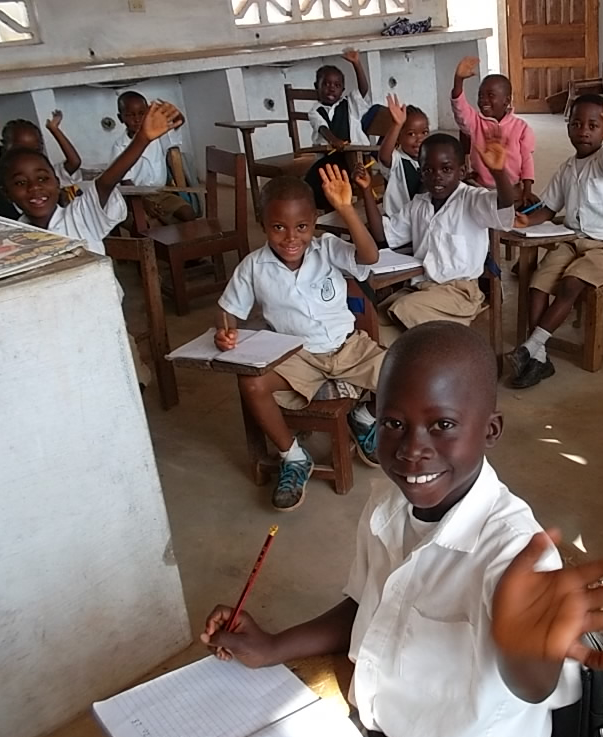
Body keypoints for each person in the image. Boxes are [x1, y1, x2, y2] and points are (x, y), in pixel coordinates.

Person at [200, 321, 603, 737]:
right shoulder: (386, 504)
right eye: (393, 423)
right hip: (374, 732)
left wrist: (523, 649)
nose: (411, 449)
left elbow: (534, 685)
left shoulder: (515, 554)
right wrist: (273, 647)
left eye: (442, 424)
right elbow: (367, 606)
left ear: (490, 430)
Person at [215, 171, 384, 509]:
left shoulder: (328, 249)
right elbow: (228, 309)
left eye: (302, 227)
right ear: (263, 224)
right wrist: (225, 331)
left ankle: (364, 417)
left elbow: (370, 256)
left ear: (314, 222)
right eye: (279, 227)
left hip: (348, 347)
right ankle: (292, 456)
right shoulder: (253, 267)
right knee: (251, 384)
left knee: (407, 374)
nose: (291, 237)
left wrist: (346, 209)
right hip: (296, 357)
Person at [0, 100, 186, 388]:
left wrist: (142, 139)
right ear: (7, 193)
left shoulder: (79, 217)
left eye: (42, 179)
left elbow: (105, 183)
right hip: (50, 333)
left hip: (103, 326)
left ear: (57, 182)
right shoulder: (12, 238)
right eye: (21, 183)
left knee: (125, 387)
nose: (35, 188)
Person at [504, 94, 603, 388]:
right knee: (537, 283)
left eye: (593, 126)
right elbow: (549, 208)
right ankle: (540, 357)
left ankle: (531, 346)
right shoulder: (567, 168)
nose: (583, 131)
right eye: (576, 124)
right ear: (568, 127)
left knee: (571, 283)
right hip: (572, 241)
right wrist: (527, 221)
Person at [358, 132, 515, 330]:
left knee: (405, 309)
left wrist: (498, 173)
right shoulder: (418, 204)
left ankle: (434, 344)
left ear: (462, 171)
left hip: (460, 293)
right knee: (375, 321)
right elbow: (383, 234)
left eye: (446, 169)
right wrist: (366, 191)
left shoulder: (472, 200)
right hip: (421, 288)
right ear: (421, 173)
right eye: (428, 170)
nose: (437, 176)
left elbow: (504, 203)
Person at [451, 56, 537, 209]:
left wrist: (527, 189)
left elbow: (526, 159)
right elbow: (460, 109)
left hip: (511, 188)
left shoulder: (521, 127)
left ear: (506, 100)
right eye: (480, 95)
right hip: (480, 187)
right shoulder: (475, 121)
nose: (484, 100)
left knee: (525, 210)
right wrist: (458, 81)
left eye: (490, 95)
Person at [113, 90, 196, 225]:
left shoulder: (158, 136)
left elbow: (178, 122)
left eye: (142, 113)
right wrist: (143, 202)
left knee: (188, 213)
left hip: (160, 193)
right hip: (134, 197)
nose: (137, 119)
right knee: (145, 224)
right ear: (120, 118)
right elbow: (126, 183)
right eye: (130, 115)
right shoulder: (119, 147)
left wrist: (171, 112)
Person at [0, 113, 83, 219]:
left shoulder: (46, 174)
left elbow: (74, 162)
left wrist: (54, 129)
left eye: (36, 150)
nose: (35, 187)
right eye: (20, 183)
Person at [376, 93, 429, 217]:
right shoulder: (397, 160)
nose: (419, 139)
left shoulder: (429, 158)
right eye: (411, 134)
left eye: (424, 132)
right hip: (398, 219)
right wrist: (397, 125)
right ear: (398, 137)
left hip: (420, 218)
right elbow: (384, 156)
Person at [308, 51, 372, 149]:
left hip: (355, 151)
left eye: (337, 85)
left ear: (343, 90)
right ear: (316, 86)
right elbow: (322, 127)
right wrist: (333, 141)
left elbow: (363, 89)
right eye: (326, 84)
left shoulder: (350, 103)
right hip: (327, 153)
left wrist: (356, 63)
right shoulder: (315, 111)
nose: (332, 89)